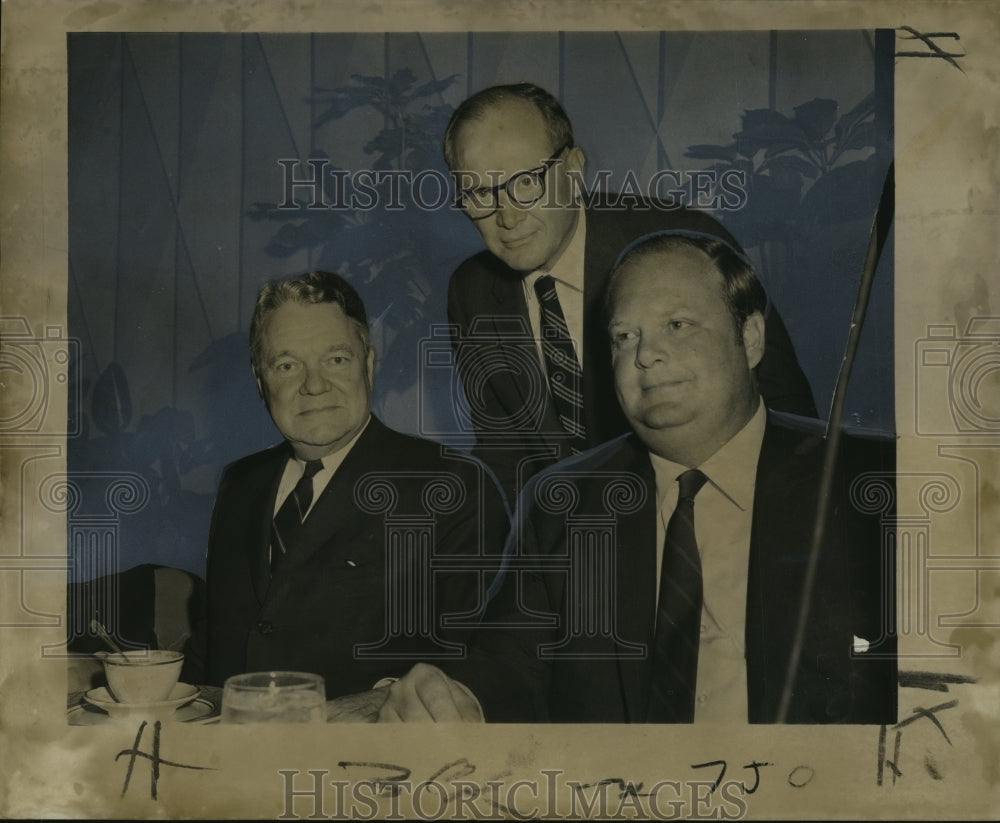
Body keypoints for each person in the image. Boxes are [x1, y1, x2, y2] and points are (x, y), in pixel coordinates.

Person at [376, 232, 896, 724]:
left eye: (677, 325)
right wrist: (457, 699)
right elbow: (509, 664)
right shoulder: (562, 503)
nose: (646, 354)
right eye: (625, 336)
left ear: (751, 337)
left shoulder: (879, 484)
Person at [444, 82, 817, 502]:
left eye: (527, 182)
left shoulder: (684, 245)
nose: (507, 217)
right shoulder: (471, 290)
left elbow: (787, 410)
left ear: (573, 168)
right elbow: (505, 453)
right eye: (479, 192)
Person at [181, 271, 508, 699]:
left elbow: (480, 665)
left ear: (368, 365)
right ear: (261, 382)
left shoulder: (452, 486)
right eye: (286, 365)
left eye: (336, 359)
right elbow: (213, 644)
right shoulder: (240, 483)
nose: (314, 386)